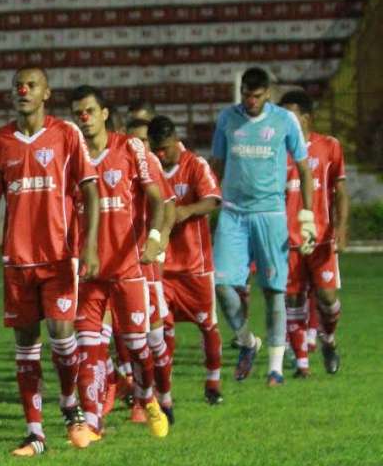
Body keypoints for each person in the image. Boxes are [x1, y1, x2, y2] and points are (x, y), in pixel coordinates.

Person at [0, 66, 100, 454]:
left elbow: (90, 190)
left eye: (31, 85)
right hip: (17, 261)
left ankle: (70, 406)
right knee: (26, 345)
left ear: (47, 93)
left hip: (58, 256)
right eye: (17, 86)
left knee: (61, 335)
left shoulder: (66, 134)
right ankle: (35, 433)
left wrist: (88, 246)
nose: (23, 90)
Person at [69, 85, 171, 440]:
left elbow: (157, 198)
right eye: (78, 113)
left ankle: (146, 397)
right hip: (90, 270)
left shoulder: (130, 148)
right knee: (88, 347)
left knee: (138, 347)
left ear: (104, 113)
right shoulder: (72, 155)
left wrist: (154, 239)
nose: (84, 118)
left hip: (128, 267)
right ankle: (93, 422)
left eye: (90, 111)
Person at [210, 67, 314, 386]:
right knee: (222, 285)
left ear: (268, 93)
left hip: (270, 214)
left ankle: (275, 368)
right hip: (233, 213)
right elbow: (217, 162)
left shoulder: (284, 120)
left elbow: (304, 168)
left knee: (273, 290)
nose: (251, 101)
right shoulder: (228, 119)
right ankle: (246, 340)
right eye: (246, 94)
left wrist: (307, 217)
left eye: (257, 95)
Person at [149, 115, 225, 405]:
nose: (160, 154)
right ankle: (164, 395)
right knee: (163, 329)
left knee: (207, 325)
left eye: (165, 148)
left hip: (195, 266)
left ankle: (213, 381)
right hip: (162, 268)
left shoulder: (195, 165)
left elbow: (213, 199)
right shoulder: (151, 169)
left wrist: (187, 210)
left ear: (176, 141)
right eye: (156, 148)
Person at [278, 89, 348, 376]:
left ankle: (328, 339)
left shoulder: (329, 147)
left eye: (290, 116)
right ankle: (302, 363)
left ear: (307, 118)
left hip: (320, 238)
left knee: (328, 300)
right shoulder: (276, 151)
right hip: (286, 239)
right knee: (292, 299)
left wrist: (341, 228)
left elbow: (341, 192)